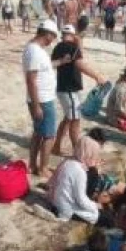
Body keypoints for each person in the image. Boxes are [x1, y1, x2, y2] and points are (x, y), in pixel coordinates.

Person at [51, 25, 107, 157]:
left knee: (68, 119)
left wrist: (79, 44)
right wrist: (97, 76)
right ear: (73, 34)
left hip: (63, 88)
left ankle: (56, 147)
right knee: (75, 122)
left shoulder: (58, 47)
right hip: (69, 90)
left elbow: (58, 61)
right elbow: (80, 64)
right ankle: (78, 153)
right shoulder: (72, 47)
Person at [23, 19, 61, 177]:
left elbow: (43, 67)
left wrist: (60, 62)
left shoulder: (35, 49)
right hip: (42, 100)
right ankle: (43, 168)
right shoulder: (34, 51)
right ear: (47, 34)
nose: (52, 41)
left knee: (38, 133)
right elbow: (31, 80)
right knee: (49, 136)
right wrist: (37, 105)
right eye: (52, 37)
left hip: (41, 99)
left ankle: (32, 165)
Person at [45, 136, 108, 226]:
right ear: (89, 154)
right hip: (65, 209)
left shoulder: (67, 162)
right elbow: (81, 200)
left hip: (55, 201)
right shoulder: (79, 171)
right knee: (104, 217)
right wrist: (95, 206)